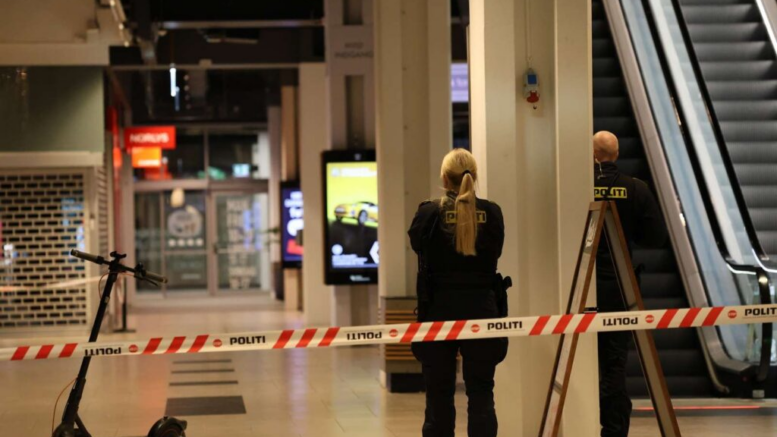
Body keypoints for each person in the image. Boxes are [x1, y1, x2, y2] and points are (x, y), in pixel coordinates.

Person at [407, 148, 509, 437]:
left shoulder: (429, 212)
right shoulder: (492, 212)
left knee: (438, 395)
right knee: (482, 393)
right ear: (474, 176)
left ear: (444, 178)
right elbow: (497, 251)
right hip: (483, 309)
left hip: (437, 310)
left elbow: (417, 245)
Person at [593, 131, 667, 437]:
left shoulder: (579, 186)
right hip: (620, 286)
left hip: (582, 285)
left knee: (577, 356)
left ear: (592, 156)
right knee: (614, 362)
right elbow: (655, 237)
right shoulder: (635, 188)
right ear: (617, 154)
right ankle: (614, 429)